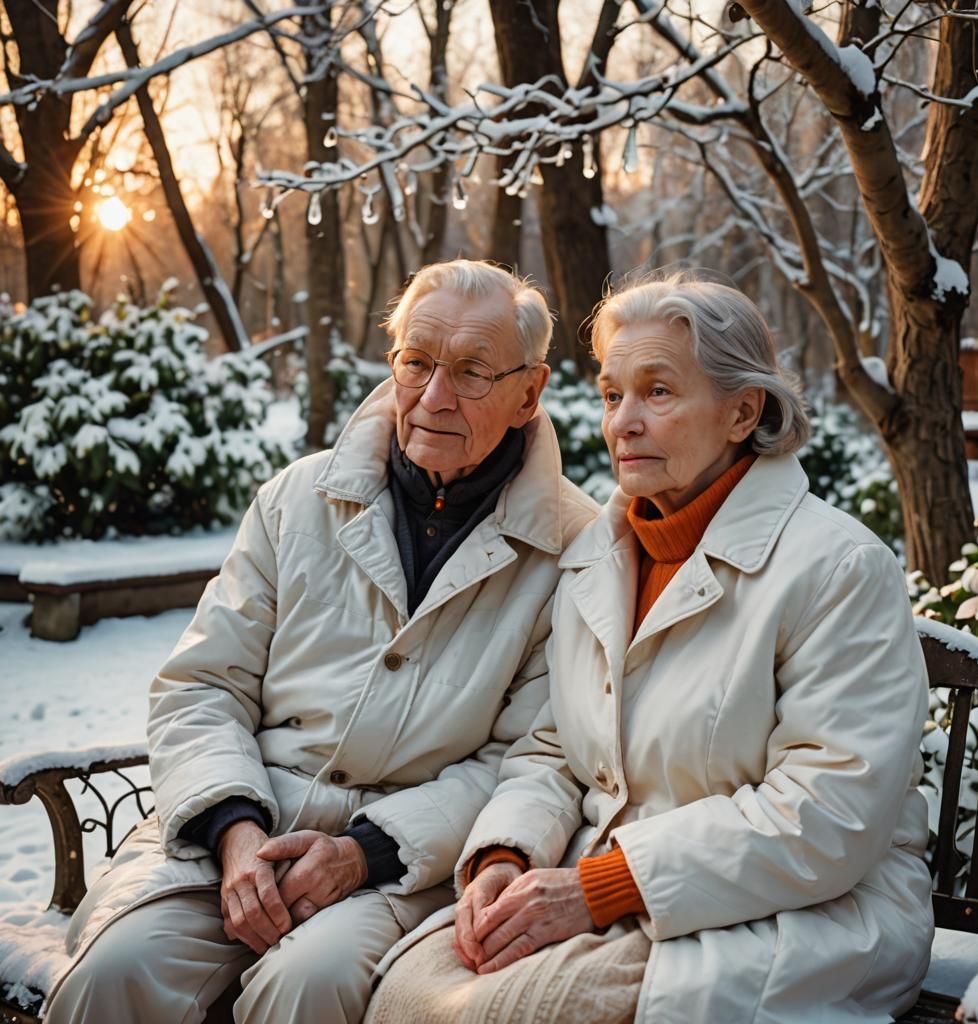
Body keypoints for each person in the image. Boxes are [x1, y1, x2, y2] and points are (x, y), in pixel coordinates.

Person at [365, 274, 934, 1024]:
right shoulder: (598, 556)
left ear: (742, 411)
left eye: (657, 392)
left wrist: (604, 886)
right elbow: (551, 750)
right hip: (611, 892)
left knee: (499, 1014)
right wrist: (506, 857)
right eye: (611, 395)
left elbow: (826, 813)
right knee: (405, 991)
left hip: (800, 913)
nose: (623, 423)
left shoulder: (839, 568)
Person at [43, 259, 598, 1024]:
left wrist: (362, 852)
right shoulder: (295, 498)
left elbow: (533, 756)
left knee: (309, 984)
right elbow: (202, 685)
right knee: (118, 971)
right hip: (240, 824)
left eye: (473, 372)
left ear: (528, 392)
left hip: (402, 862)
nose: (435, 396)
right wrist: (234, 832)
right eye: (417, 363)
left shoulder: (575, 546)